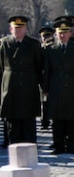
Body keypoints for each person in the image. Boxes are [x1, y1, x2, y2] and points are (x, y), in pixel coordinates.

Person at [42, 19, 74, 154]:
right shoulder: (50, 49)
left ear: (69, 33)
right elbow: (46, 70)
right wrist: (45, 89)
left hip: (73, 87)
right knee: (57, 120)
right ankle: (58, 145)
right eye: (60, 33)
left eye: (65, 33)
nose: (62, 35)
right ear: (56, 33)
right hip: (55, 88)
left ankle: (72, 145)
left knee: (72, 118)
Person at [0, 16, 44, 145]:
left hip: (28, 86)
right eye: (15, 28)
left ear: (26, 29)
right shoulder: (4, 43)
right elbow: (1, 66)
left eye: (21, 28)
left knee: (28, 122)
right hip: (10, 87)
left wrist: (42, 87)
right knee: (12, 123)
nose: (18, 31)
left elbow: (39, 65)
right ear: (11, 29)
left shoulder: (34, 44)